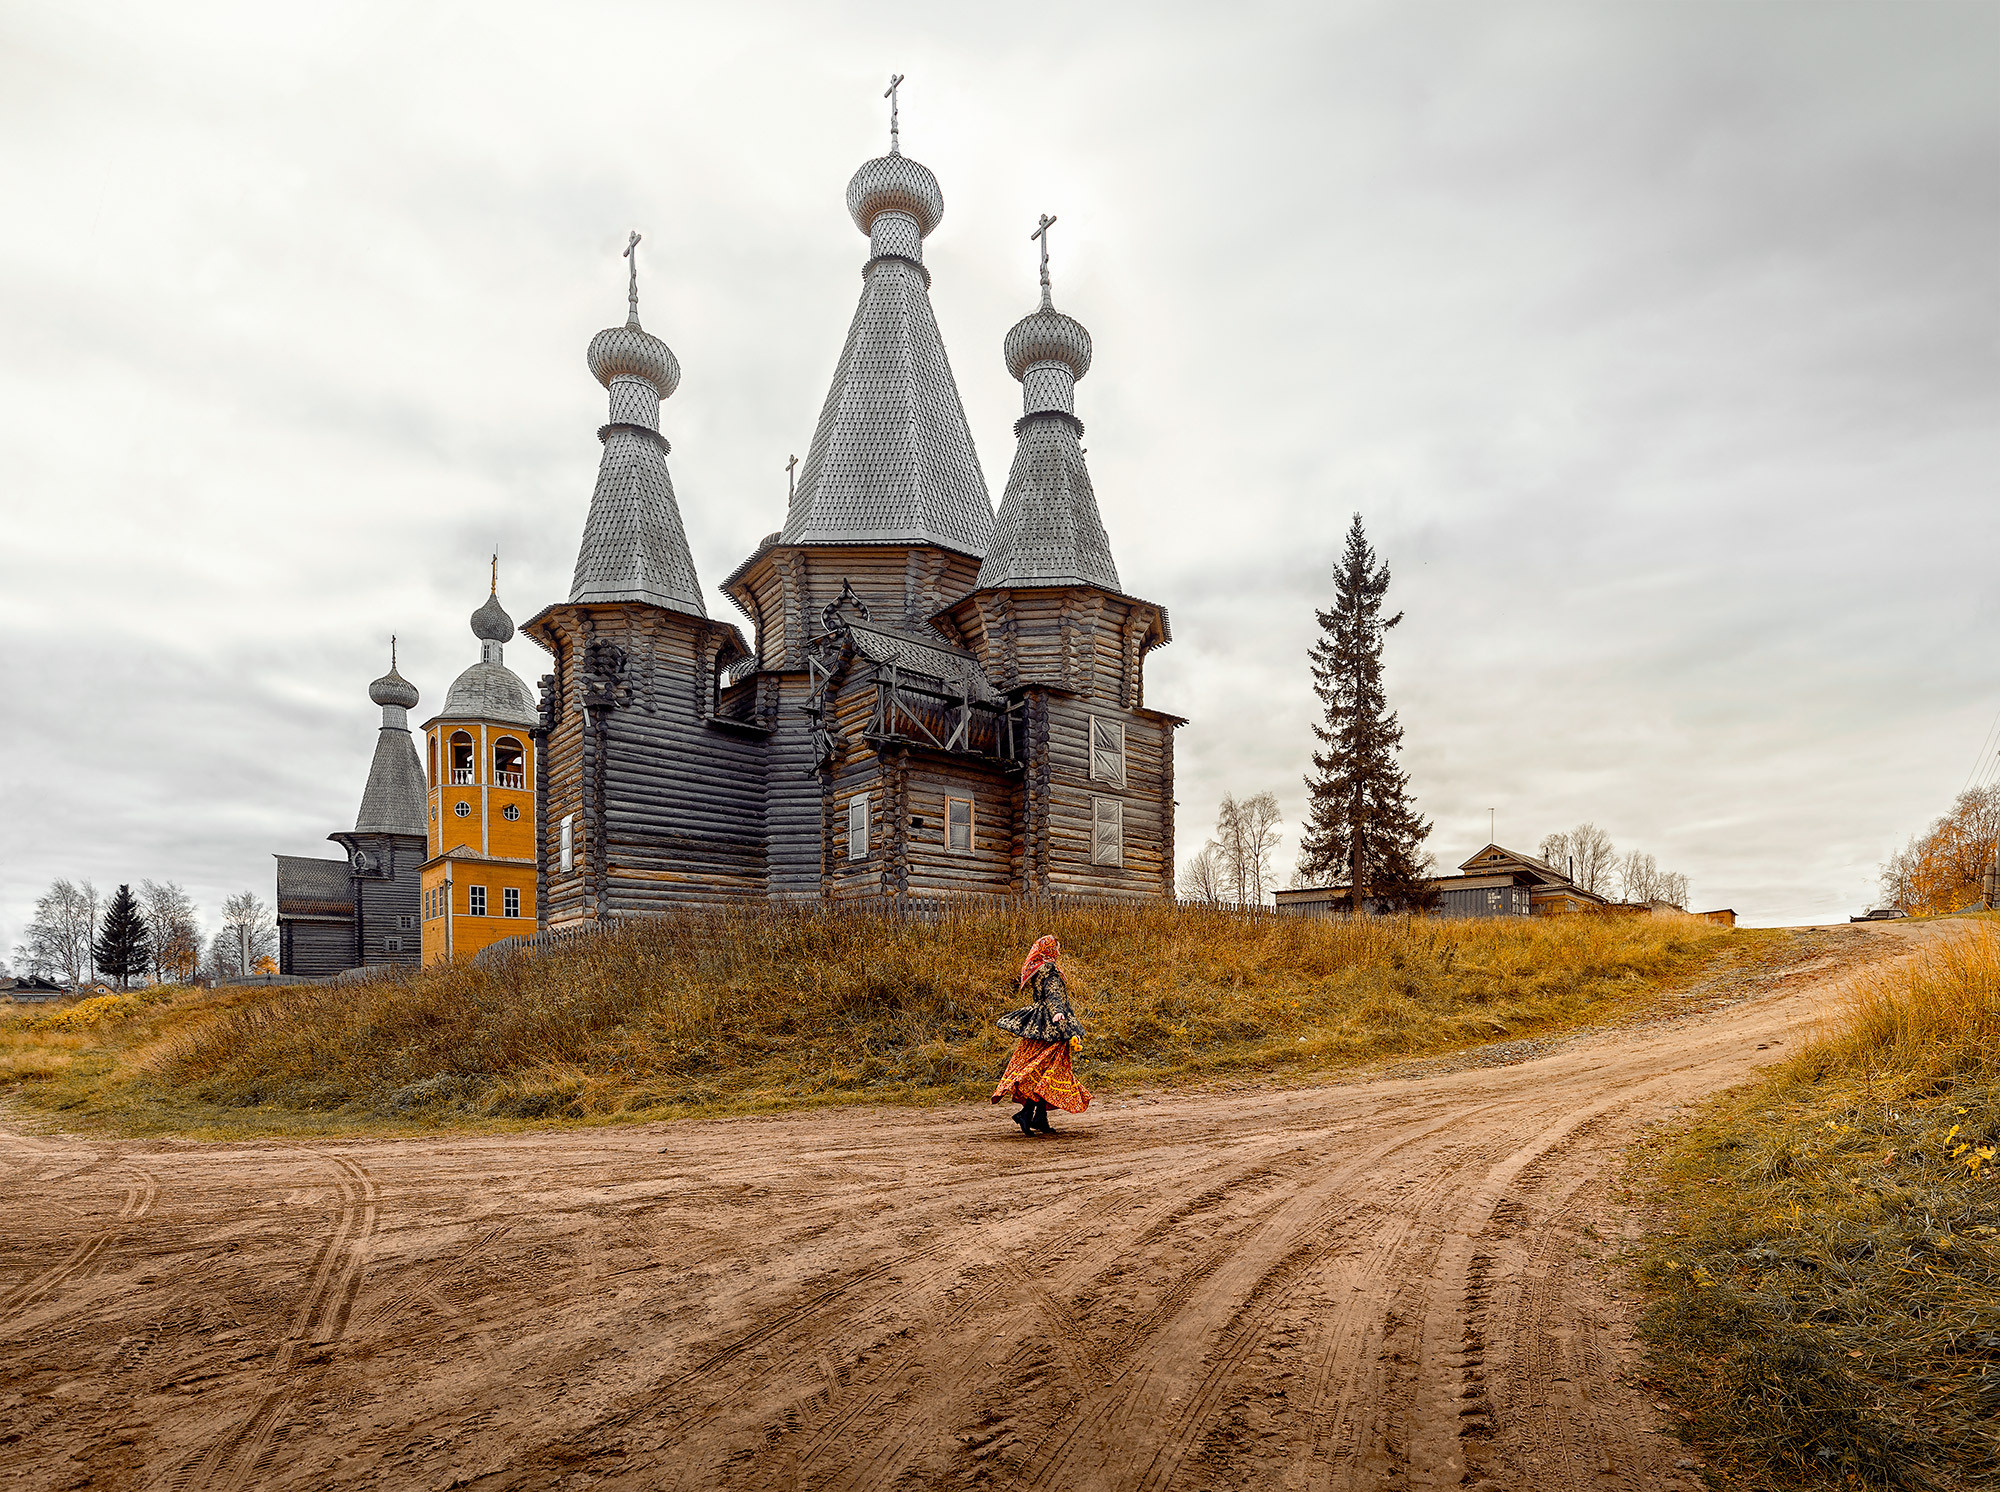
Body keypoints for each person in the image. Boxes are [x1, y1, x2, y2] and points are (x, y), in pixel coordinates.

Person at [990, 934, 1091, 1135]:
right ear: (1050, 949)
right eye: (1057, 947)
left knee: (1043, 1070)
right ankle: (1028, 1114)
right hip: (1053, 1026)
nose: (1059, 951)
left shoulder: (1037, 968)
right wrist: (1058, 1014)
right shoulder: (1050, 970)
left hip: (1039, 1023)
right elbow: (1053, 995)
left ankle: (1038, 1117)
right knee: (1050, 1070)